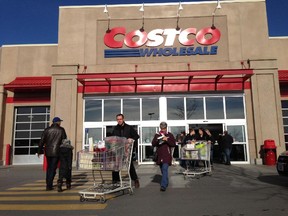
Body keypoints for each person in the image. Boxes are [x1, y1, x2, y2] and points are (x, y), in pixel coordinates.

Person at [38, 117, 67, 191]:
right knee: (53, 168)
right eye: (60, 121)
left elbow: (42, 141)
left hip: (48, 151)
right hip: (57, 151)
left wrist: (39, 151)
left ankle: (48, 184)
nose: (60, 123)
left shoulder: (47, 130)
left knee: (49, 168)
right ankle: (49, 185)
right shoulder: (61, 130)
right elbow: (64, 141)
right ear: (57, 122)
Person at [112, 114, 140, 188]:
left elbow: (137, 136)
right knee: (116, 165)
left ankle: (135, 180)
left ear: (123, 119)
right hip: (118, 150)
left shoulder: (129, 127)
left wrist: (131, 139)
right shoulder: (115, 129)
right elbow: (113, 138)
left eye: (120, 119)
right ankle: (115, 182)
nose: (119, 121)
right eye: (118, 119)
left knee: (129, 165)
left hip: (127, 150)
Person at [152, 122, 176, 192]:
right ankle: (165, 181)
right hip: (159, 155)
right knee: (162, 170)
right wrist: (157, 140)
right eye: (162, 128)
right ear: (160, 128)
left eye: (164, 128)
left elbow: (173, 144)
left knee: (165, 169)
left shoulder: (170, 135)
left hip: (167, 155)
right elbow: (153, 143)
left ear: (166, 128)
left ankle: (163, 185)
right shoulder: (157, 134)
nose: (163, 130)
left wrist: (167, 139)